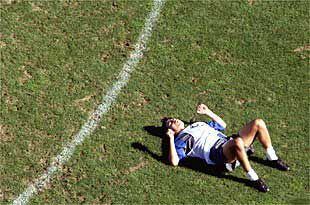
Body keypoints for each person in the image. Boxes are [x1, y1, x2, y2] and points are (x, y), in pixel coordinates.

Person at [162, 103, 289, 192]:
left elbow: (222, 125)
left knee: (258, 123)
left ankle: (272, 158)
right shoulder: (181, 140)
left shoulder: (197, 124)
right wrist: (171, 138)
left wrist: (207, 112)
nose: (174, 120)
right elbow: (174, 162)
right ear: (172, 130)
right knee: (238, 142)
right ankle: (254, 178)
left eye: (174, 118)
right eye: (171, 123)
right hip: (217, 153)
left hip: (227, 141)